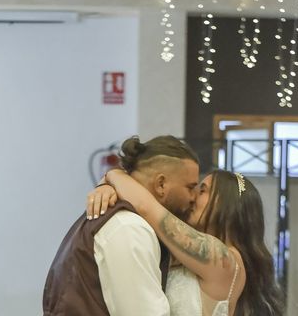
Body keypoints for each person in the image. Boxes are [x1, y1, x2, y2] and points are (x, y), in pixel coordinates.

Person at [89, 168, 284, 316]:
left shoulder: (223, 258)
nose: (192, 197)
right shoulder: (197, 256)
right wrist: (106, 187)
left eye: (202, 190)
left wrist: (113, 174)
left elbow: (145, 206)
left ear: (226, 203)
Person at [42, 135, 200, 316]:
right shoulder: (130, 228)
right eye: (190, 187)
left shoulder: (121, 219)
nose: (193, 197)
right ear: (161, 184)